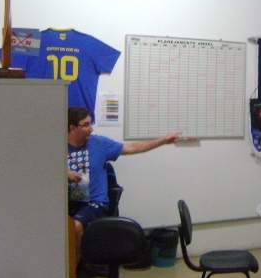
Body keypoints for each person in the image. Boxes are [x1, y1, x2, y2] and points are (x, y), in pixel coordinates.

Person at [67, 106, 181, 262]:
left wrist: (164, 140)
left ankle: (74, 270)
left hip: (94, 203)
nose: (91, 129)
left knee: (75, 226)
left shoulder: (99, 143)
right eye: (86, 125)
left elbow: (132, 147)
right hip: (69, 201)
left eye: (90, 123)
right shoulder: (57, 147)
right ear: (72, 128)